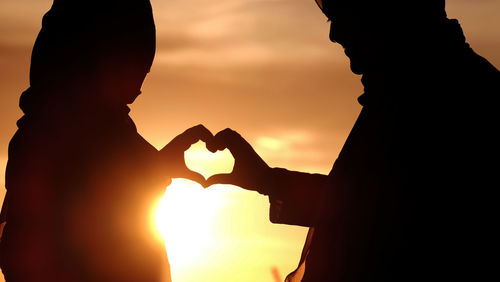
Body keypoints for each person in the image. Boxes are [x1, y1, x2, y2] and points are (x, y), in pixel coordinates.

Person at [204, 0, 499, 281]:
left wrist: (271, 182)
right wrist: (268, 181)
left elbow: (394, 225)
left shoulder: (457, 101)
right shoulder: (401, 95)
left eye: (344, 14)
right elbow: (371, 207)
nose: (334, 34)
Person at [0, 1, 211, 281]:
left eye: (144, 73)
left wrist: (157, 168)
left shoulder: (112, 132)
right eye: (133, 71)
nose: (138, 90)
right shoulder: (49, 142)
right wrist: (152, 171)